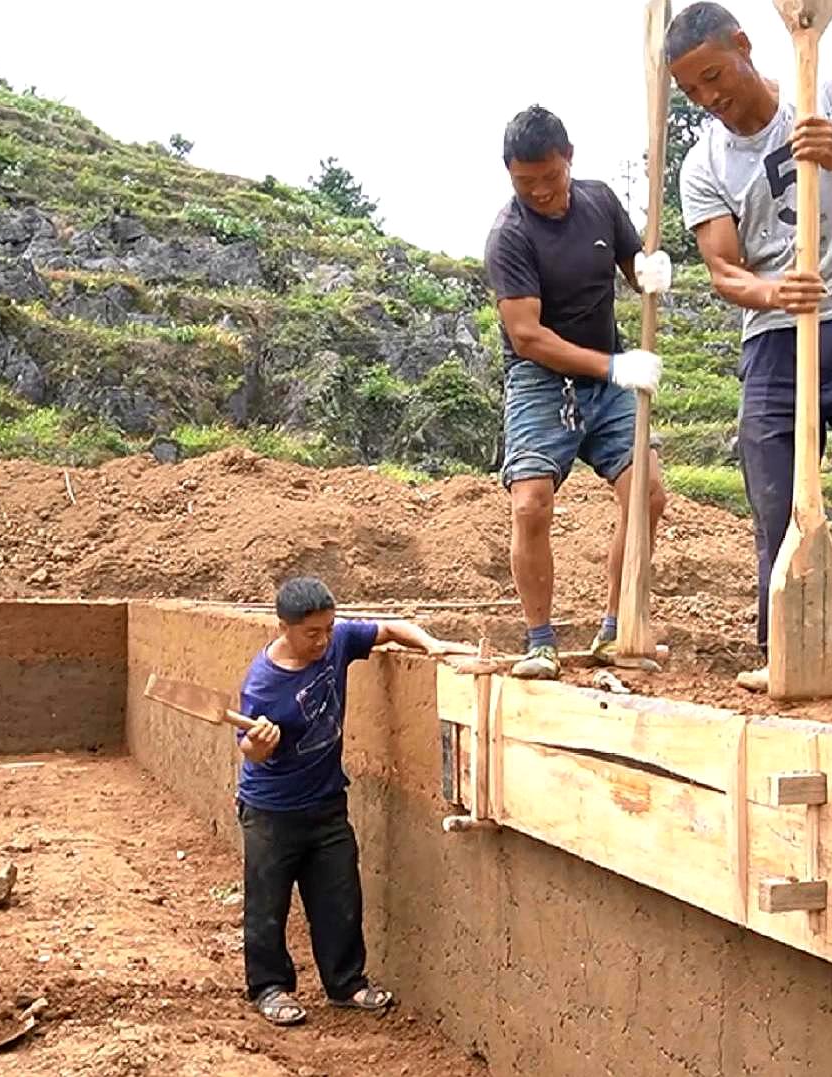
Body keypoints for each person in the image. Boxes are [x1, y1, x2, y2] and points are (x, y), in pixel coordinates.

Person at [666, 2, 832, 705]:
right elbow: (724, 270)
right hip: (777, 345)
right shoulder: (704, 165)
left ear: (746, 47)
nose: (710, 98)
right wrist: (775, 293)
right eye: (692, 91)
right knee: (777, 506)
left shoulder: (825, 97)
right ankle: (786, 649)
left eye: (714, 76)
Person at [483, 104, 674, 679]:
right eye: (525, 181)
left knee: (648, 494)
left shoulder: (599, 202)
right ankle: (540, 641)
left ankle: (618, 627)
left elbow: (630, 265)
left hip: (609, 377)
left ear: (569, 159)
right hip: (542, 381)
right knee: (531, 502)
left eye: (550, 176)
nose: (540, 191)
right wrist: (614, 367)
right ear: (510, 175)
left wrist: (650, 270)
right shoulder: (509, 237)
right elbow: (527, 336)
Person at [235, 576, 471, 1026]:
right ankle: (270, 987)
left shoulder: (336, 642)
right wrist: (261, 743)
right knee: (268, 903)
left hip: (326, 803)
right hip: (272, 812)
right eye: (312, 633)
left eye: (329, 628)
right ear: (283, 627)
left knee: (339, 896)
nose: (324, 639)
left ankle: (346, 984)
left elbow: (390, 629)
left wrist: (431, 644)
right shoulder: (264, 683)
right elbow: (251, 752)